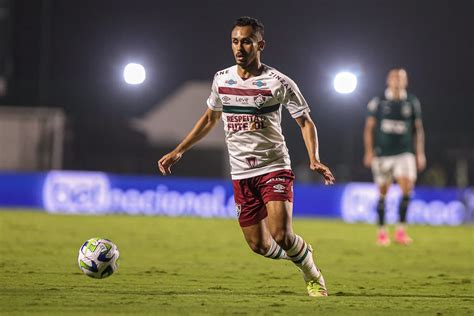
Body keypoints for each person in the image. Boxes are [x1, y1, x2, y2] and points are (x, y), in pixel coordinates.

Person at [158, 16, 335, 297]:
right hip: (241, 173)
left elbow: (305, 121)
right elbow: (209, 118)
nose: (239, 47)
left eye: (246, 42)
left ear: (260, 44)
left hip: (274, 166)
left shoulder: (278, 82)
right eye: (235, 41)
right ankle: (300, 253)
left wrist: (313, 158)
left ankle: (312, 274)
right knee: (260, 246)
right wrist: (179, 149)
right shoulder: (221, 79)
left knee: (281, 234)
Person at [363, 68, 426, 246]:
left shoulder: (412, 102)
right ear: (388, 80)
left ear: (406, 81)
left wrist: (420, 153)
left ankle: (401, 230)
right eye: (394, 78)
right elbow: (369, 128)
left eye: (401, 78)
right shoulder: (379, 102)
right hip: (382, 154)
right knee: (383, 191)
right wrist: (368, 151)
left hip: (404, 153)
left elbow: (418, 130)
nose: (398, 81)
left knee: (407, 187)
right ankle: (382, 232)